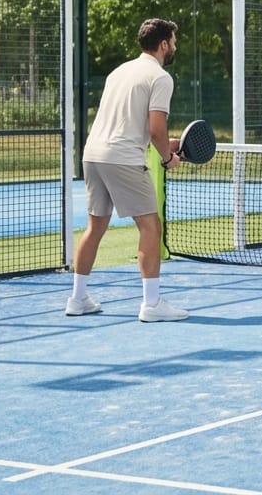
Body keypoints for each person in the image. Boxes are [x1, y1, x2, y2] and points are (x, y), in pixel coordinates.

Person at [66, 18, 189, 322]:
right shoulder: (160, 77)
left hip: (93, 155)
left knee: (95, 227)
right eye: (173, 41)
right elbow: (156, 129)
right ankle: (151, 304)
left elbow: (130, 124)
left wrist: (169, 144)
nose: (175, 46)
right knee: (150, 226)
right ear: (163, 44)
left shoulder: (119, 71)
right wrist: (166, 158)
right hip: (123, 159)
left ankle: (78, 299)